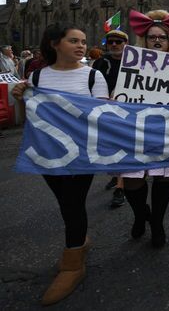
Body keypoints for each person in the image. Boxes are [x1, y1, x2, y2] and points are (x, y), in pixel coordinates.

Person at [11, 22, 109, 305]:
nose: (80, 46)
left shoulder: (93, 77)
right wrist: (19, 98)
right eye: (73, 41)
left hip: (82, 155)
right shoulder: (37, 77)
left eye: (83, 41)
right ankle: (79, 242)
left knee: (72, 202)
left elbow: (102, 118)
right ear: (55, 44)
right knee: (64, 201)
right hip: (48, 154)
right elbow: (29, 119)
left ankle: (73, 262)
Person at [120, 9, 169, 247]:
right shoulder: (130, 63)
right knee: (132, 179)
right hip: (135, 131)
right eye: (152, 37)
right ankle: (141, 214)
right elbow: (119, 93)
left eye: (162, 37)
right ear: (144, 40)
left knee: (163, 179)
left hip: (166, 131)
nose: (157, 41)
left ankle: (157, 223)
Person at [93, 29, 129, 207]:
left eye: (118, 42)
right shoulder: (100, 62)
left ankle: (120, 188)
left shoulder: (134, 62)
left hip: (127, 112)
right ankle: (116, 177)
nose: (114, 45)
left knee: (122, 147)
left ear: (125, 44)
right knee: (111, 147)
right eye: (110, 42)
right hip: (105, 111)